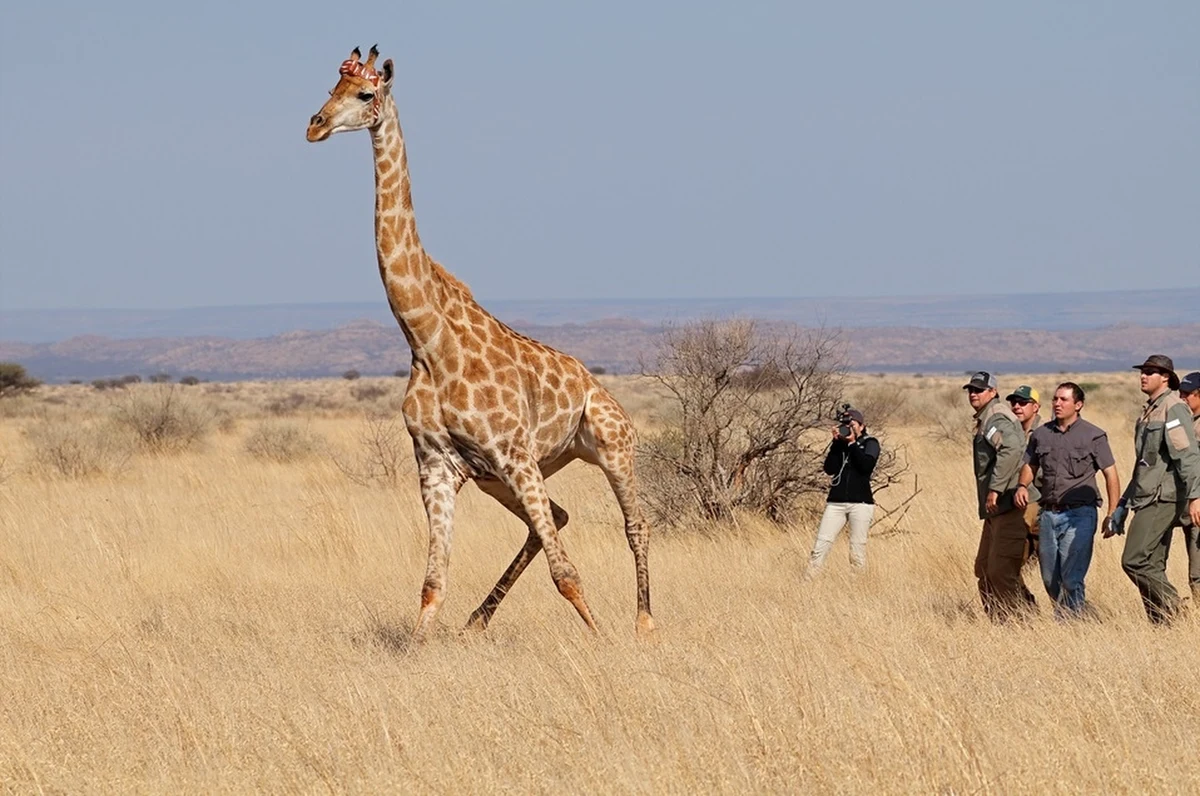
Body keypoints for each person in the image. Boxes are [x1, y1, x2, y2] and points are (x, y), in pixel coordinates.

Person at [1015, 382, 1120, 617]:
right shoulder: (1041, 435)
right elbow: (1030, 465)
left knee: (1072, 578)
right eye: (1055, 399)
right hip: (1049, 515)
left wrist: (1113, 513)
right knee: (1050, 579)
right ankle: (1087, 617)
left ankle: (1072, 629)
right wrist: (1022, 485)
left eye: (1063, 399)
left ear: (1078, 405)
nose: (1057, 403)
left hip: (1081, 514)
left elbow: (1110, 474)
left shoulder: (1093, 435)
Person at [1110, 355, 1200, 623]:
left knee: (1134, 560)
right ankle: (1162, 625)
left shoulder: (1173, 408)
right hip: (1146, 495)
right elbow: (1144, 464)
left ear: (1166, 378)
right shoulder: (1150, 409)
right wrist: (1123, 503)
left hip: (1164, 497)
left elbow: (1186, 455)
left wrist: (1196, 496)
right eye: (1143, 371)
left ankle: (1177, 609)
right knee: (1153, 564)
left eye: (1151, 372)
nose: (1144, 375)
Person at [964, 371, 1035, 620]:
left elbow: (1012, 448)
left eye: (979, 390)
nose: (973, 394)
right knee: (984, 569)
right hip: (996, 509)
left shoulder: (995, 418)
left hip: (1008, 505)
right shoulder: (988, 417)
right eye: (971, 389)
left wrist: (995, 488)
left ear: (993, 392)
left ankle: (1018, 623)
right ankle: (999, 622)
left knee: (1000, 570)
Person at [808, 407, 879, 573]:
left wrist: (853, 444)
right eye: (846, 425)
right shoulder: (839, 445)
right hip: (836, 502)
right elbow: (829, 469)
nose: (849, 428)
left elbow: (866, 466)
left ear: (862, 426)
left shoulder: (870, 443)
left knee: (857, 549)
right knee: (821, 544)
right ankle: (809, 580)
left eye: (852, 424)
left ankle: (857, 584)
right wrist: (835, 443)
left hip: (860, 503)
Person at [1006, 385, 1043, 564]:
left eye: (1022, 402)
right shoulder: (1013, 433)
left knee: (1044, 559)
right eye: (1014, 403)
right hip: (1019, 503)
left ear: (1035, 407)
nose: (1016, 407)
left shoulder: (1044, 434)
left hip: (1039, 505)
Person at [1178, 371, 1200, 599]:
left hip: (1198, 504)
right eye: (1180, 393)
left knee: (1198, 572)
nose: (1183, 398)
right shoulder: (1183, 421)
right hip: (1185, 504)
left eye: (1188, 394)